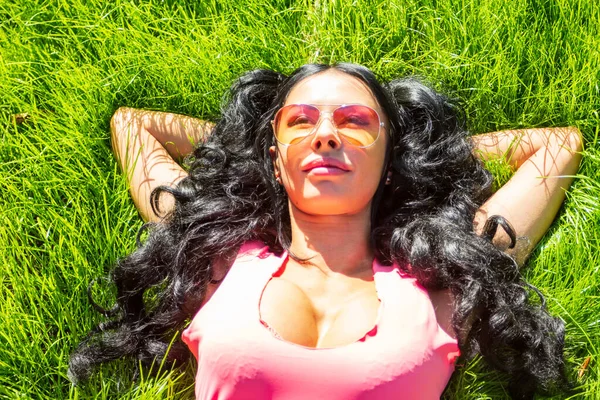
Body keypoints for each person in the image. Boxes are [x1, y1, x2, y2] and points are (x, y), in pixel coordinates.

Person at [69, 63, 582, 399]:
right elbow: (134, 127)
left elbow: (556, 147)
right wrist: (250, 149)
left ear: (390, 159)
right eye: (300, 121)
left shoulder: (442, 279)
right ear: (273, 159)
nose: (327, 134)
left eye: (356, 121)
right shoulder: (220, 258)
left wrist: (422, 153)